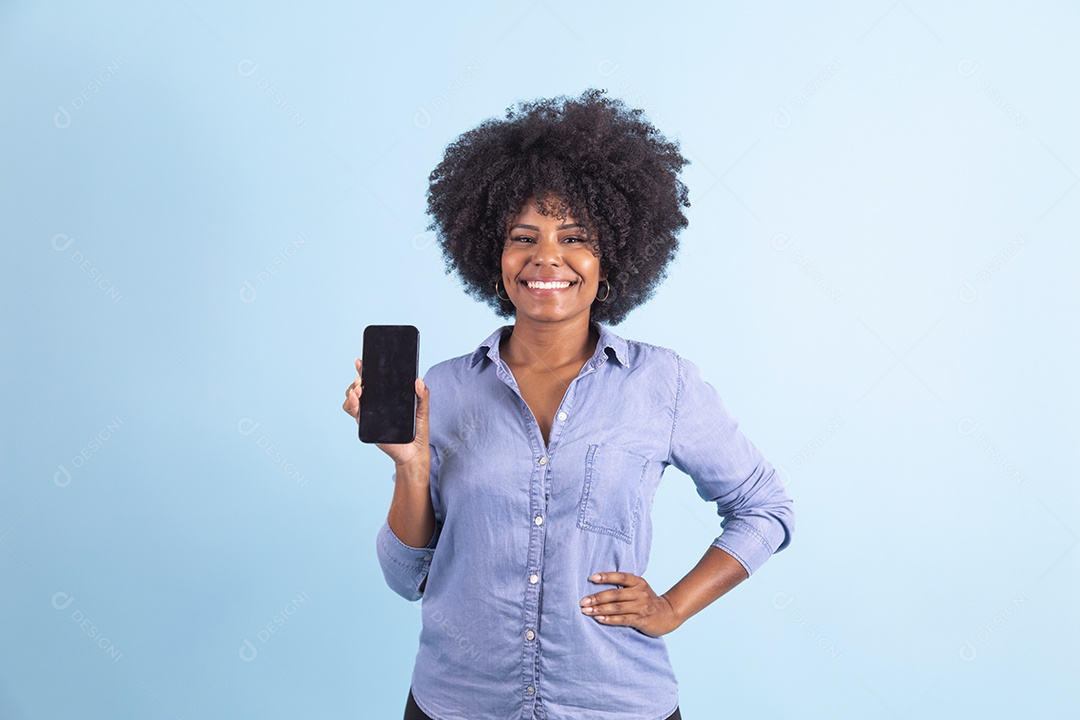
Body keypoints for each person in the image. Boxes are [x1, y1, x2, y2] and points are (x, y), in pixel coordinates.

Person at [342, 89, 795, 720]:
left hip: (613, 702)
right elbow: (407, 577)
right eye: (523, 237)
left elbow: (763, 509)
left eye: (574, 237)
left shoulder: (662, 385)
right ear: (492, 257)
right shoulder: (441, 390)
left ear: (611, 259)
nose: (546, 257)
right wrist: (410, 464)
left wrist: (672, 606)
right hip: (461, 703)